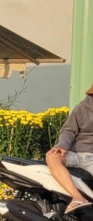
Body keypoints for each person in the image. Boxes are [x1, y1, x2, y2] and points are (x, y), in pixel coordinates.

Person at [46, 82, 93, 212]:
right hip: (75, 153)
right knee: (52, 157)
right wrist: (61, 146)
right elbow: (69, 130)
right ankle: (78, 198)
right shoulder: (82, 108)